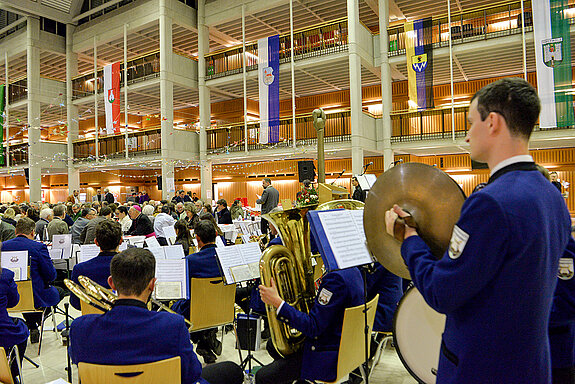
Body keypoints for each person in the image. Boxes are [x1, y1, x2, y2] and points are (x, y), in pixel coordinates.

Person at [385, 78, 572, 383]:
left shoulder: (490, 203)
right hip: (531, 367)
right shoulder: (550, 195)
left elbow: (441, 292)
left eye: (471, 122)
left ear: (493, 123)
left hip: (482, 369)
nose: (468, 134)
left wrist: (409, 239)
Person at [69, 248, 244, 384]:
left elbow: (78, 360)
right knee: (232, 370)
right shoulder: (173, 324)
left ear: (111, 283)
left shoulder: (80, 327)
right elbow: (192, 373)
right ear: (152, 285)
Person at [256, 267, 364, 384]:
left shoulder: (335, 279)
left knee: (263, 377)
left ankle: (299, 376)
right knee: (273, 345)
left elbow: (313, 327)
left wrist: (278, 302)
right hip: (348, 349)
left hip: (328, 358)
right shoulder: (353, 271)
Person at [3, 217, 64, 343]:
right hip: (36, 296)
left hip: (10, 297)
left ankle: (31, 325)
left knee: (25, 293)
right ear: (32, 232)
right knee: (60, 291)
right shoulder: (38, 247)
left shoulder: (3, 247)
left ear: (15, 231)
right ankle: (36, 321)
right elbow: (50, 276)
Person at [172, 220, 224, 364]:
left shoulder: (190, 260)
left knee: (173, 310)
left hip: (195, 311)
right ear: (215, 234)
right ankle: (205, 341)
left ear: (197, 239)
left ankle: (200, 340)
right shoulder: (226, 256)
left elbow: (181, 289)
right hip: (222, 308)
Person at [69, 220, 122, 311]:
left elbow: (76, 303)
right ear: (121, 241)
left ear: (96, 242)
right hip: (123, 321)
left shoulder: (80, 269)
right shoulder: (130, 266)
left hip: (92, 321)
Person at [0, 263, 29, 382]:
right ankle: (11, 374)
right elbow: (13, 302)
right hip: (2, 334)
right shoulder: (4, 275)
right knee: (21, 327)